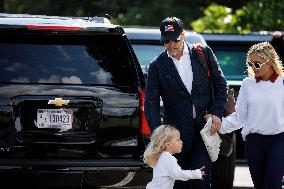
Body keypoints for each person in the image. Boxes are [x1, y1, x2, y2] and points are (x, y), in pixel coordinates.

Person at [144, 17, 228, 189]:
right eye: (166, 41)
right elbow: (150, 102)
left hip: (203, 131)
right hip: (174, 136)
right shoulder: (157, 65)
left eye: (175, 39)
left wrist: (217, 113)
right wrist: (157, 133)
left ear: (183, 35)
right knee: (177, 184)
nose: (171, 45)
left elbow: (221, 85)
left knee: (200, 181)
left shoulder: (203, 53)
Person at [218, 42, 284, 189]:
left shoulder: (282, 83)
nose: (253, 67)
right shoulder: (248, 84)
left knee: (274, 183)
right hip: (254, 142)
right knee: (260, 185)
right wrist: (217, 126)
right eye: (250, 63)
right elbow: (239, 117)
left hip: (279, 140)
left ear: (270, 62)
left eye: (257, 64)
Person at [143, 125, 205, 189]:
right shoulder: (167, 158)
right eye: (178, 140)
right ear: (167, 144)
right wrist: (196, 173)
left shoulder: (161, 156)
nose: (182, 142)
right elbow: (179, 174)